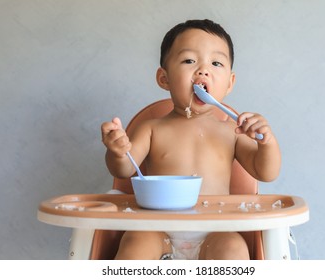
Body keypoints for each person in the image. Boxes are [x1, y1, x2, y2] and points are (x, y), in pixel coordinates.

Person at [101, 19, 281, 260]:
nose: (203, 70)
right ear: (164, 78)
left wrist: (266, 141)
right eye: (189, 61)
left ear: (229, 83)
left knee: (234, 248)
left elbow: (266, 172)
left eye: (216, 63)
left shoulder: (231, 131)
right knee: (135, 244)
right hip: (157, 229)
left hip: (215, 232)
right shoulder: (151, 128)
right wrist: (117, 151)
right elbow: (123, 170)